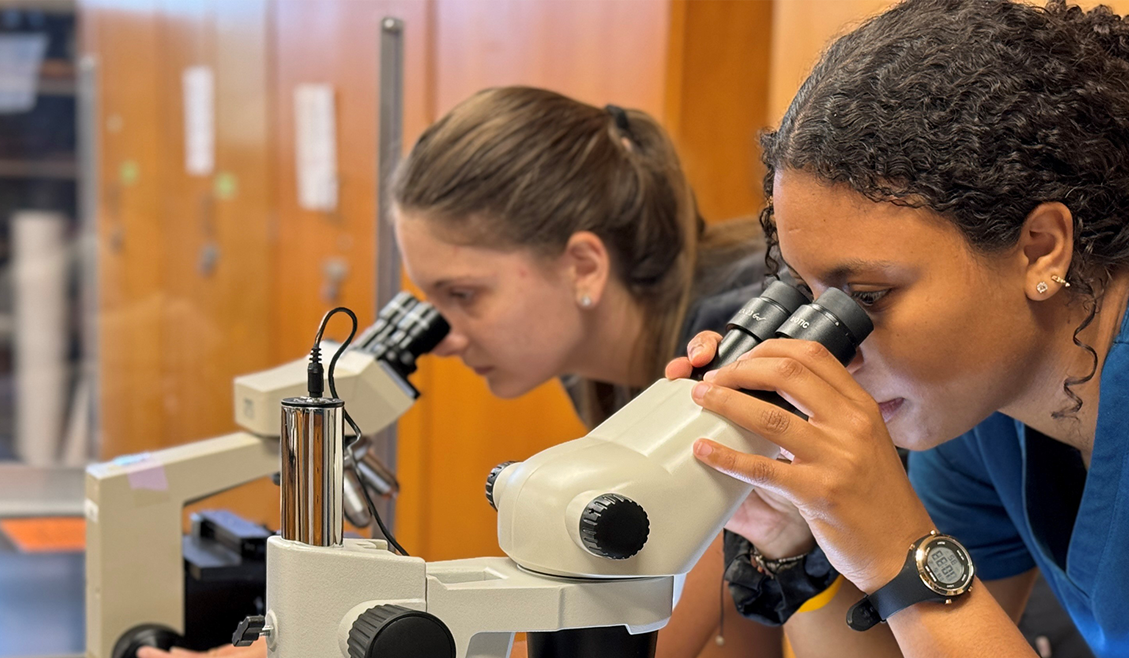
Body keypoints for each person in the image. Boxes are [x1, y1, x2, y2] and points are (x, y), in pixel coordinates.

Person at [668, 1, 1129, 657]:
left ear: (1041, 249)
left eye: (866, 294)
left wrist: (902, 550)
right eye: (809, 296)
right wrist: (810, 533)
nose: (825, 347)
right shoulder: (991, 398)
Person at [139, 86, 780, 658]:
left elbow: (639, 628)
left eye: (464, 295)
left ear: (584, 266)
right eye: (431, 301)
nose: (442, 337)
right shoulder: (596, 364)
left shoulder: (734, 356)